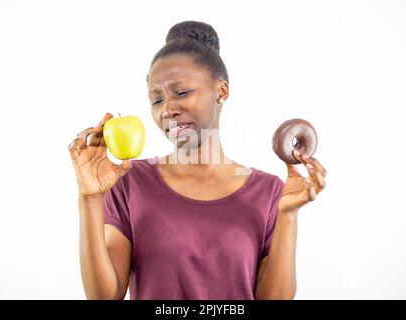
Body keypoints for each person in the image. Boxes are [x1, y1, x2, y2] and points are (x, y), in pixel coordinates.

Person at [68, 21, 327, 300]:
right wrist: (90, 198)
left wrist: (288, 215)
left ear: (221, 91)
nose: (167, 109)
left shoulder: (271, 192)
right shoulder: (130, 181)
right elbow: (105, 297)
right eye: (156, 100)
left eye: (181, 92)